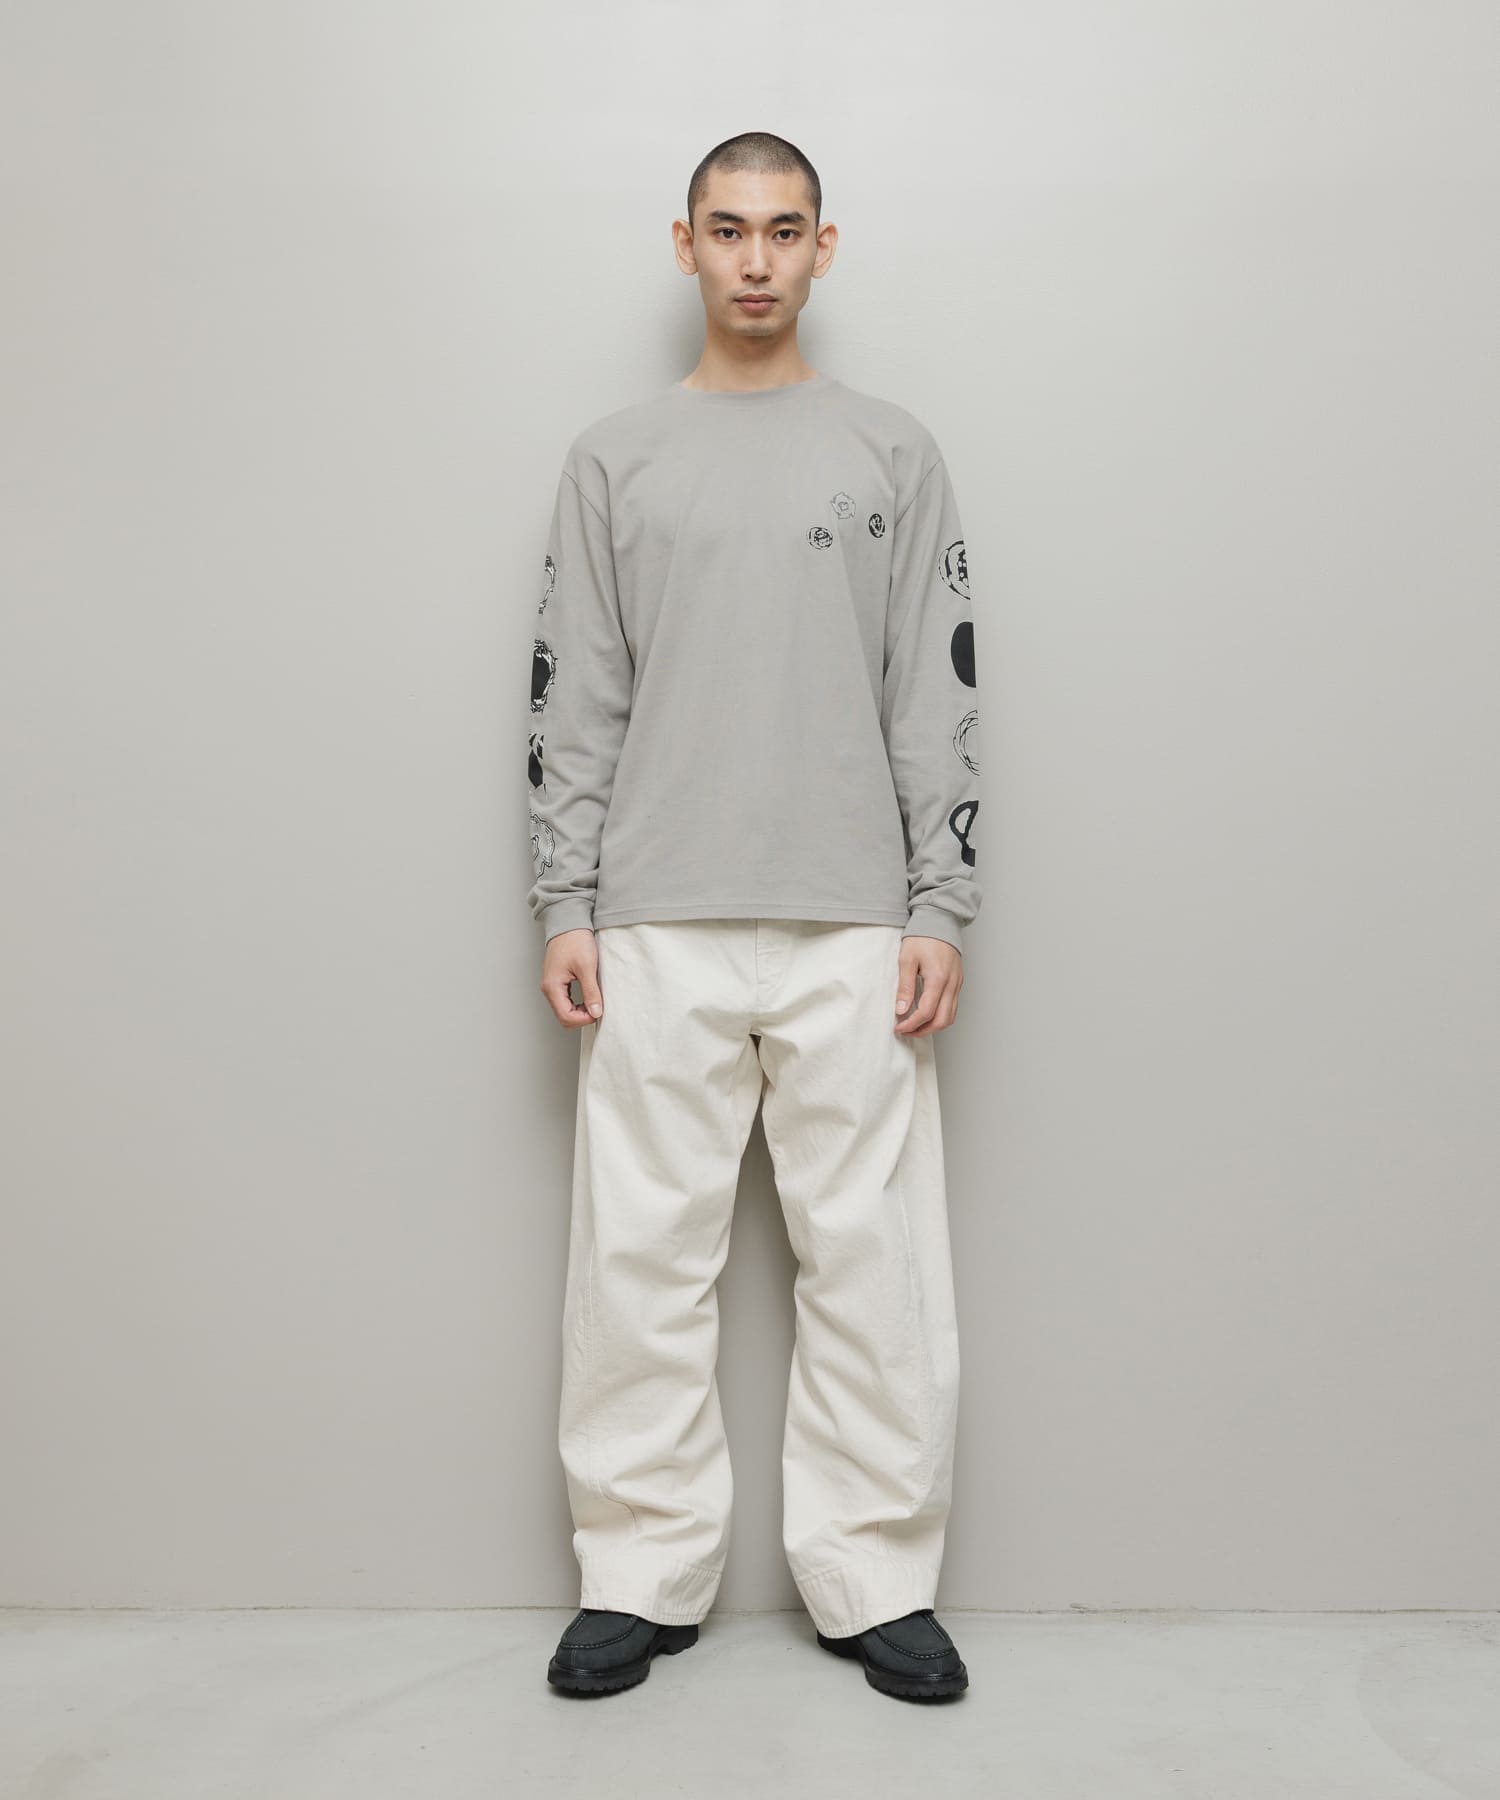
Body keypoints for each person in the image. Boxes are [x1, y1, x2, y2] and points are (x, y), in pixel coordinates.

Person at [528, 131, 980, 1703]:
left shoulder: (894, 452)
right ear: (687, 244)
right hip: (655, 912)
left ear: (822, 247)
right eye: (729, 230)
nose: (757, 259)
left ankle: (874, 1579)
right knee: (640, 1262)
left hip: (854, 915)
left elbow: (936, 689)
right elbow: (574, 693)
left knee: (874, 1265)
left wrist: (942, 900)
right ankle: (638, 1573)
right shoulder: (614, 461)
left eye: (785, 231)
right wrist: (566, 897)